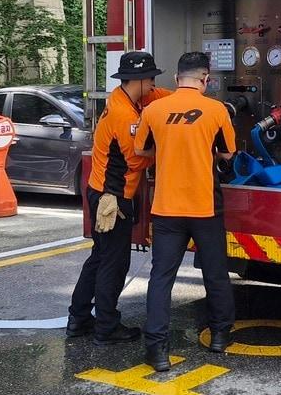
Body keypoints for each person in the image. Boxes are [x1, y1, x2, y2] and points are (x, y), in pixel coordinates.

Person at [133, 51, 237, 372]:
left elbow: (139, 149)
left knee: (161, 278)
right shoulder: (216, 110)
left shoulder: (154, 109)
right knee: (215, 274)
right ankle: (219, 337)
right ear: (205, 80)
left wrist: (164, 149)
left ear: (177, 79)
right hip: (205, 207)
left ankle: (157, 351)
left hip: (166, 209)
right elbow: (228, 153)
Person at [67, 51, 169, 344]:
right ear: (139, 80)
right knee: (114, 263)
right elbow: (137, 159)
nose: (153, 85)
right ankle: (107, 328)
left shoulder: (122, 98)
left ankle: (79, 318)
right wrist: (166, 150)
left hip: (100, 192)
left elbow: (161, 96)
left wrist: (186, 99)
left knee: (99, 258)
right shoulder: (125, 115)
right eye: (151, 79)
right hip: (113, 199)